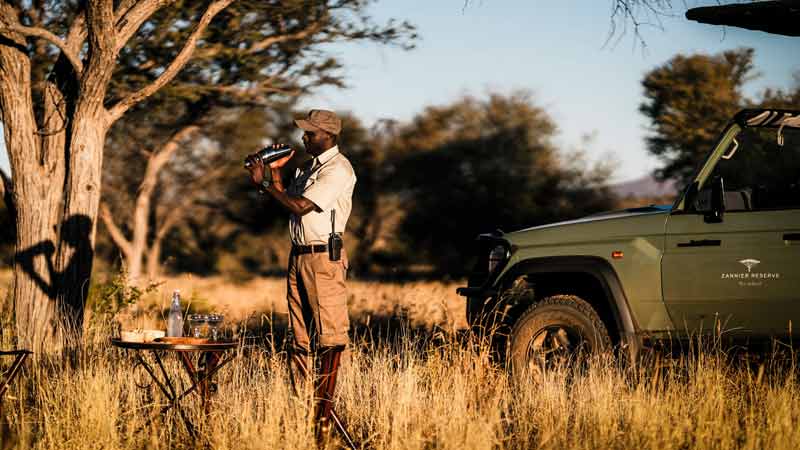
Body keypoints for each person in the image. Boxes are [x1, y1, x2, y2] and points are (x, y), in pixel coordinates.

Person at [245, 109, 356, 436]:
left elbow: (300, 206)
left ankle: (328, 415)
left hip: (323, 259)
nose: (304, 138)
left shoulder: (338, 169)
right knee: (300, 338)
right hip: (299, 256)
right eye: (304, 132)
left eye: (311, 133)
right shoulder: (309, 167)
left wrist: (265, 182)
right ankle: (303, 414)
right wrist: (274, 176)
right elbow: (288, 199)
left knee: (330, 338)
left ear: (329, 135)